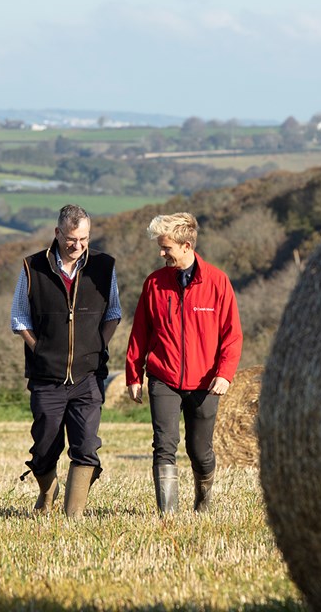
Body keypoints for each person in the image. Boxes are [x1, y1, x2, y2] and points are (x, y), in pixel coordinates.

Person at [126, 212, 242, 514]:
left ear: (186, 245)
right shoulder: (153, 283)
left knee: (199, 451)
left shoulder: (218, 282)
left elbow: (232, 335)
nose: (161, 253)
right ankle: (168, 514)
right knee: (164, 445)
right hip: (163, 377)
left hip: (205, 382)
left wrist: (225, 374)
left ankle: (203, 498)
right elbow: (140, 332)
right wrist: (133, 374)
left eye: (166, 248)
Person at [10, 204, 120, 518]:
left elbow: (113, 312)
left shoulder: (104, 265)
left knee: (86, 446)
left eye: (84, 238)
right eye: (71, 239)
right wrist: (39, 349)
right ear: (58, 233)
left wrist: (99, 345)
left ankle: (74, 515)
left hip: (88, 376)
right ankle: (47, 492)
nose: (78, 245)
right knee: (44, 448)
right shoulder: (33, 267)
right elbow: (19, 318)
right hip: (47, 377)